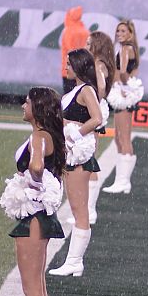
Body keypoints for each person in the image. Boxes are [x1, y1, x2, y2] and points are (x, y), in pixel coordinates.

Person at [0, 87, 66, 296]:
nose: (22, 106)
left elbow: (36, 167)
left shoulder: (39, 136)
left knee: (32, 286)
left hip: (34, 217)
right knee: (38, 284)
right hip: (39, 217)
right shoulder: (47, 135)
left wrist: (32, 186)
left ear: (36, 108)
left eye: (26, 102)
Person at [48, 49, 102, 278]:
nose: (66, 68)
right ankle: (73, 262)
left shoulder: (87, 90)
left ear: (79, 66)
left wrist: (75, 135)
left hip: (78, 156)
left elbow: (97, 119)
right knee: (77, 209)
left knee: (80, 212)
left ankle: (75, 262)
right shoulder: (76, 89)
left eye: (69, 64)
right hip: (71, 154)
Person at [103, 21, 142, 195]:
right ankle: (121, 180)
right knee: (119, 138)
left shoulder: (126, 49)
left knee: (123, 138)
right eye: (118, 30)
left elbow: (125, 72)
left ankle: (124, 181)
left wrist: (125, 87)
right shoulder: (128, 48)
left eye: (123, 30)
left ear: (130, 33)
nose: (119, 33)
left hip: (123, 96)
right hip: (121, 94)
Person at [85, 30, 115, 224]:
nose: (86, 46)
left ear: (97, 45)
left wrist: (94, 98)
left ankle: (90, 210)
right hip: (94, 109)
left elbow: (101, 88)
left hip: (94, 110)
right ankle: (87, 209)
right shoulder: (98, 63)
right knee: (87, 160)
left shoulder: (98, 64)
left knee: (89, 161)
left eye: (89, 44)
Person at [58, 6, 88, 93]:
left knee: (69, 96)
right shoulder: (85, 31)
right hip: (82, 70)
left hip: (68, 69)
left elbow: (63, 46)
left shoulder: (67, 31)